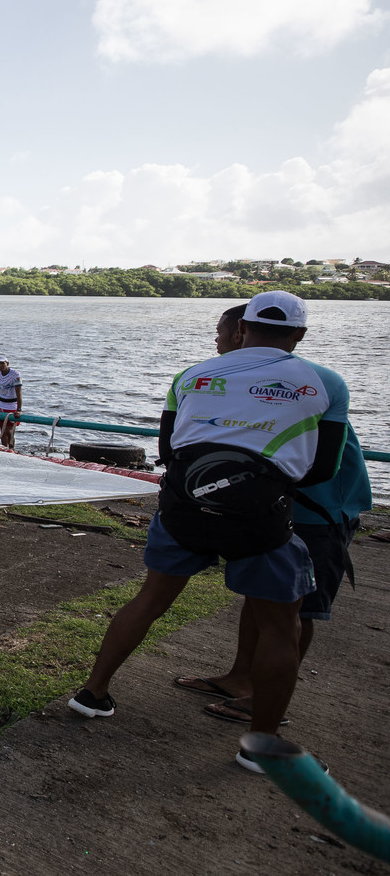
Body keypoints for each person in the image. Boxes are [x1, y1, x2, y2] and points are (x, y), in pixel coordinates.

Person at [67, 292, 349, 773]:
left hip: (185, 511)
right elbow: (323, 466)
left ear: (242, 330)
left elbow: (168, 447)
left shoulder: (193, 375)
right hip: (260, 522)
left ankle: (92, 693)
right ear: (300, 335)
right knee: (281, 627)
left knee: (149, 599)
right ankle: (261, 747)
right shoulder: (322, 381)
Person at [175, 304, 374, 725]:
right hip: (270, 507)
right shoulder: (241, 380)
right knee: (263, 598)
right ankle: (241, 677)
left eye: (221, 333)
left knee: (295, 611)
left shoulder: (310, 382)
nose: (216, 341)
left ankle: (266, 702)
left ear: (241, 334)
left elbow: (323, 464)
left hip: (317, 511)